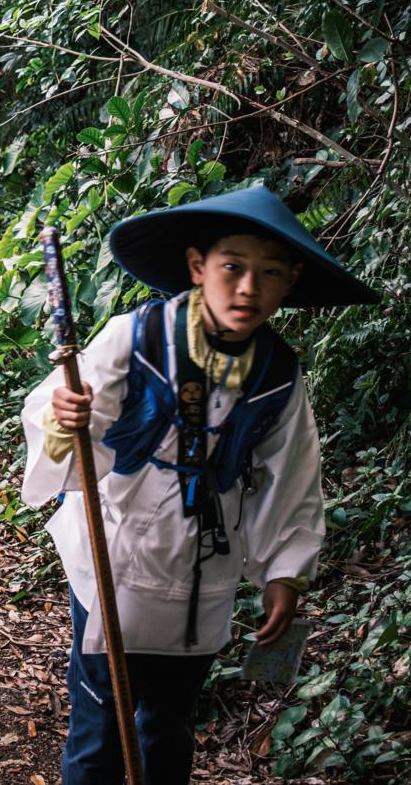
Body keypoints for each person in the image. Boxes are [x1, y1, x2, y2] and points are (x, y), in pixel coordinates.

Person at [20, 184, 378, 784]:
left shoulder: (276, 375)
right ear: (197, 268)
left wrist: (283, 571)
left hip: (203, 571)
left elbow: (289, 478)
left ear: (290, 282)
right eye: (232, 267)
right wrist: (69, 415)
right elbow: (74, 419)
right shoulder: (135, 337)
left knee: (169, 727)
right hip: (117, 555)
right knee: (100, 729)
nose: (247, 288)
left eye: (268, 274)